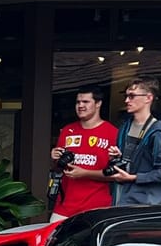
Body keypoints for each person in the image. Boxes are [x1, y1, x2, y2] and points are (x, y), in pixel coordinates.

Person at [48, 87, 117, 221]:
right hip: (65, 205)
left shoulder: (112, 133)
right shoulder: (68, 130)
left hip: (97, 207)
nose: (80, 106)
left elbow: (116, 174)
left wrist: (85, 173)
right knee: (52, 240)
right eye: (78, 102)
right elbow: (57, 169)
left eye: (85, 102)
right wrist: (54, 158)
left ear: (98, 104)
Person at [107, 78, 161, 206]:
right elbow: (131, 162)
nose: (126, 100)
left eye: (132, 96)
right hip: (121, 199)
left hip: (144, 205)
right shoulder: (124, 126)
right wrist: (117, 158)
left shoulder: (158, 131)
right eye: (126, 96)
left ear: (148, 98)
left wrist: (134, 178)